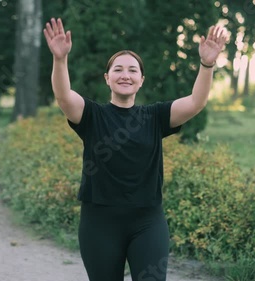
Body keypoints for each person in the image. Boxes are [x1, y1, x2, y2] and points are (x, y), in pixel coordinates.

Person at [43, 17, 228, 281]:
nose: (125, 75)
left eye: (132, 70)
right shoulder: (92, 115)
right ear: (108, 79)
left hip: (147, 222)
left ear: (141, 80)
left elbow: (196, 102)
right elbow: (63, 96)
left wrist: (207, 64)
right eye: (118, 70)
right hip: (99, 223)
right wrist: (60, 60)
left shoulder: (155, 117)